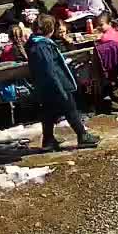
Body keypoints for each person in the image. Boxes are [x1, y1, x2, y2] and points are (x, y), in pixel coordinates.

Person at [27, 14, 100, 151]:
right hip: (56, 84)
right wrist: (60, 88)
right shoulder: (42, 46)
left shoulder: (35, 43)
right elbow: (49, 69)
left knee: (49, 112)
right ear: (50, 29)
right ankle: (82, 136)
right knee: (70, 109)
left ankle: (48, 140)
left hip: (46, 86)